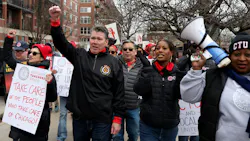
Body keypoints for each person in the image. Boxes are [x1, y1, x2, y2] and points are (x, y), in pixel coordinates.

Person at [49, 6, 125, 141]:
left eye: (99, 39)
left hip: (102, 120)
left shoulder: (114, 63)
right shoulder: (79, 56)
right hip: (80, 118)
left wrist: (117, 119)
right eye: (93, 38)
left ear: (107, 42)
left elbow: (119, 93)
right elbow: (61, 43)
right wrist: (55, 22)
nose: (95, 42)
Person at [180, 33, 250, 141]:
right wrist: (196, 70)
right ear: (229, 56)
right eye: (237, 54)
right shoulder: (213, 76)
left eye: (248, 55)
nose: (242, 59)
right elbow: (189, 97)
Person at [3, 30, 57, 141]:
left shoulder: (47, 74)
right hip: (21, 120)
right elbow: (8, 58)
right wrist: (9, 39)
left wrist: (50, 83)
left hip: (38, 123)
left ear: (42, 57)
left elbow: (52, 98)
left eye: (34, 53)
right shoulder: (23, 70)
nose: (30, 55)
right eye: (30, 52)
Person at [133, 39, 184, 141]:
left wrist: (180, 77)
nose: (160, 51)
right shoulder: (147, 70)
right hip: (148, 125)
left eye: (164, 48)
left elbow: (180, 95)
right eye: (157, 48)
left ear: (171, 52)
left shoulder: (176, 72)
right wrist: (147, 74)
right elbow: (138, 90)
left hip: (170, 126)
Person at [113, 40, 143, 141]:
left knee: (134, 135)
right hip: (117, 107)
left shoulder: (142, 66)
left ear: (135, 52)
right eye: (125, 49)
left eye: (130, 49)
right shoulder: (115, 63)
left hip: (134, 107)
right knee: (116, 136)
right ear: (122, 51)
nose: (127, 51)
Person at [57, 41, 75, 141]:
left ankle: (63, 136)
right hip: (64, 91)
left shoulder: (77, 60)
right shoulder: (60, 62)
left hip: (73, 91)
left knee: (66, 114)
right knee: (65, 113)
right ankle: (62, 136)